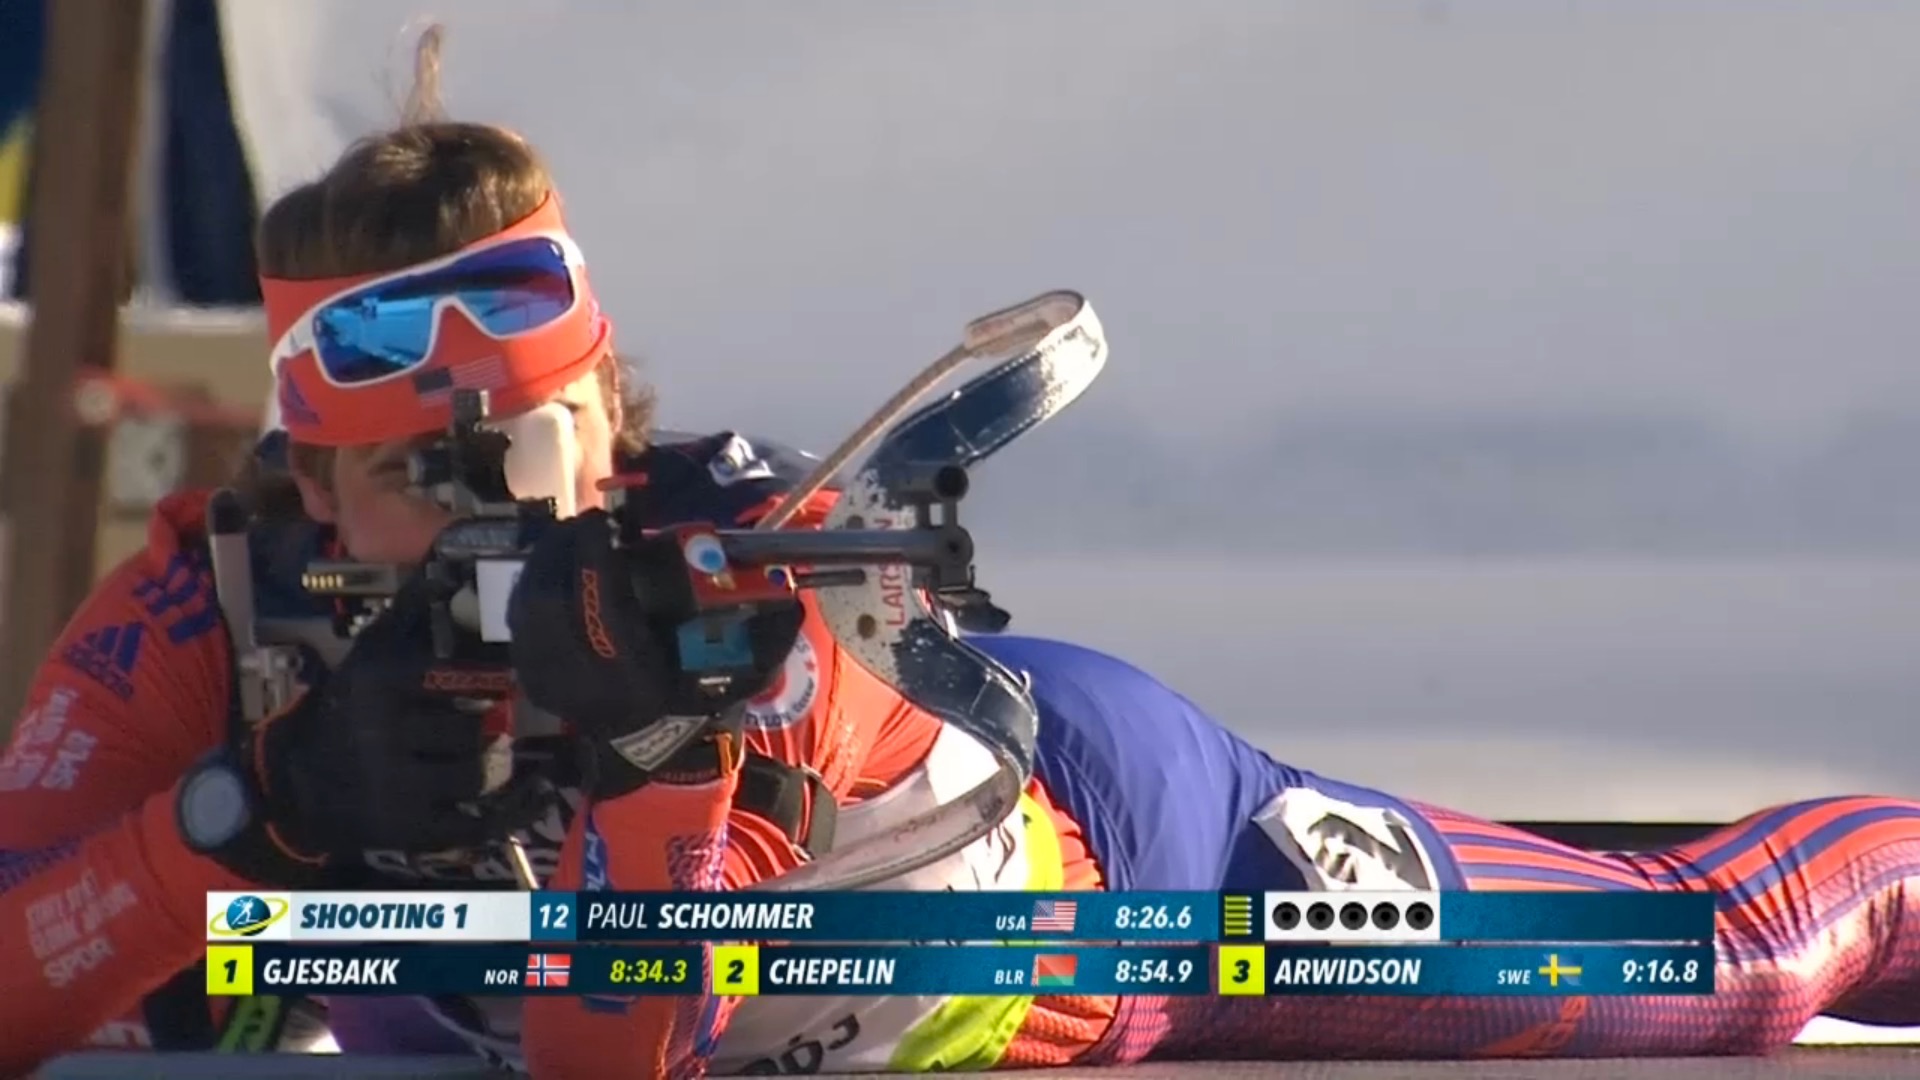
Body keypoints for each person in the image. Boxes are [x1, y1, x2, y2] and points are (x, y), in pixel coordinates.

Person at [2, 37, 1918, 1080]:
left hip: (1133, 885)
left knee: (1725, 968)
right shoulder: (210, 614)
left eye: (520, 454)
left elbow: (613, 1066)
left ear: (606, 423)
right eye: (414, 476)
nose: (485, 521)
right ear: (307, 486)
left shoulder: (712, 604)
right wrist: (246, 825)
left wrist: (668, 763)